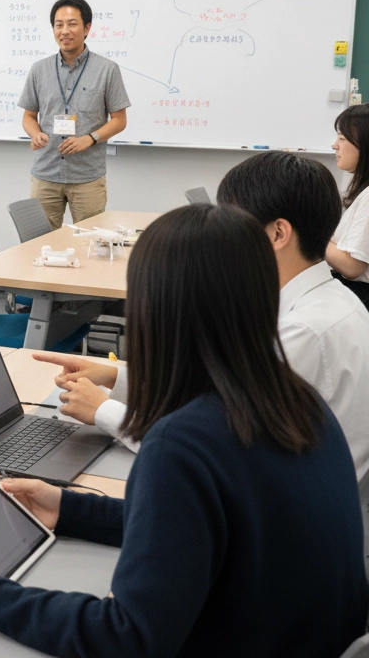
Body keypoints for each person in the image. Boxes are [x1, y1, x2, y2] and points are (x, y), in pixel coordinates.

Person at [0, 204, 368, 657]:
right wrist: (71, 510)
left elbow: (128, 639)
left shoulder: (184, 443)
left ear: (157, 308)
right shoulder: (294, 398)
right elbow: (205, 525)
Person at [42, 152, 369, 480]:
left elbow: (216, 452)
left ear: (277, 234)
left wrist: (104, 411)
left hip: (291, 511)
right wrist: (117, 378)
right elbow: (217, 400)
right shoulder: (322, 302)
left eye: (235, 221)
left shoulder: (302, 332)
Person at [18, 0, 131, 230]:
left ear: (87, 28)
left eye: (72, 24)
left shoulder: (107, 69)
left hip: (86, 177)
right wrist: (35, 134)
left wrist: (90, 138)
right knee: (40, 243)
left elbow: (119, 120)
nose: (64, 31)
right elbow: (29, 116)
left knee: (89, 244)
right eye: (59, 25)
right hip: (45, 173)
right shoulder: (39, 70)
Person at [326, 102, 369, 308]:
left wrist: (310, 235)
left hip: (360, 298)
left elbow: (352, 266)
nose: (335, 145)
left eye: (342, 138)